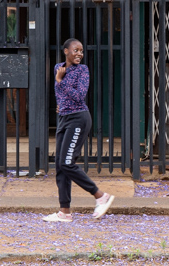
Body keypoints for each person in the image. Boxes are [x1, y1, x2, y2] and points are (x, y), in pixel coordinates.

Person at [43, 38, 115, 223]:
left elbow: (79, 96)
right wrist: (60, 105)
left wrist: (60, 81)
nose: (79, 54)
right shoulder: (58, 67)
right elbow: (61, 95)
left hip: (79, 118)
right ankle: (64, 212)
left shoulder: (83, 70)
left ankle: (100, 196)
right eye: (75, 50)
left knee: (67, 163)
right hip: (64, 119)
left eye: (81, 51)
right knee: (60, 167)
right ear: (66, 51)